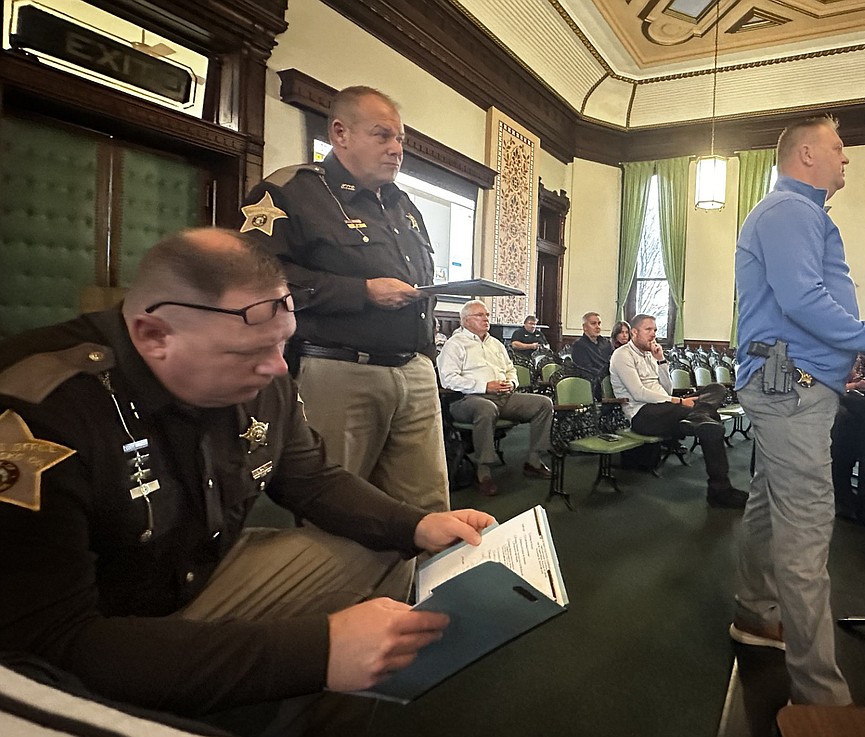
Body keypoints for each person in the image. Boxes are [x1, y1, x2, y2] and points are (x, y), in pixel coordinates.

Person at [0, 229, 495, 732]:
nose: (278, 368)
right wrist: (317, 651)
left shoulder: (264, 364)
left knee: (390, 549)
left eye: (284, 342)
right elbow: (49, 644)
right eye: (249, 353)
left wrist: (418, 524)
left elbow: (310, 478)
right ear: (153, 335)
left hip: (199, 569)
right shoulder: (41, 411)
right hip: (100, 620)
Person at [732, 115, 865, 705]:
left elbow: (798, 303)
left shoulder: (798, 214)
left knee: (770, 504)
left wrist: (858, 343)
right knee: (807, 529)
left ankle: (754, 612)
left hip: (784, 378)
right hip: (787, 384)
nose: (846, 159)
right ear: (806, 157)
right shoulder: (790, 211)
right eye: (839, 149)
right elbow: (801, 299)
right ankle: (820, 698)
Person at [238, 85, 448, 516]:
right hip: (339, 371)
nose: (396, 150)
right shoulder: (290, 192)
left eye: (401, 140)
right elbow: (255, 281)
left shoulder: (404, 206)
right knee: (336, 508)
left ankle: (418, 586)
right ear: (340, 133)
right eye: (382, 136)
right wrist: (362, 291)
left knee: (427, 509)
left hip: (415, 371)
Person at [609, 314, 747, 509]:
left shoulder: (650, 355)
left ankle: (698, 417)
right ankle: (720, 490)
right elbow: (638, 393)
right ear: (634, 332)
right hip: (643, 415)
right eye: (648, 330)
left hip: (667, 408)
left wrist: (661, 361)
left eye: (655, 330)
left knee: (717, 389)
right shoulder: (622, 355)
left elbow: (666, 389)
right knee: (711, 421)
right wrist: (680, 402)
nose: (653, 334)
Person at [437, 300, 554, 497]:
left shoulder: (496, 344)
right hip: (466, 399)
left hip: (503, 396)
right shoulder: (455, 345)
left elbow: (511, 369)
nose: (486, 319)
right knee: (486, 408)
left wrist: (512, 383)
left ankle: (534, 460)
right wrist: (484, 386)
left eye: (487, 315)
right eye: (480, 315)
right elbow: (448, 380)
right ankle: (483, 472)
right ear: (465, 320)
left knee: (544, 403)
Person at [571, 311, 614, 394]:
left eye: (599, 323)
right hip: (592, 383)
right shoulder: (579, 346)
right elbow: (585, 369)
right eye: (593, 324)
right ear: (585, 327)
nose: (597, 327)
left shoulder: (607, 343)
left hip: (611, 378)